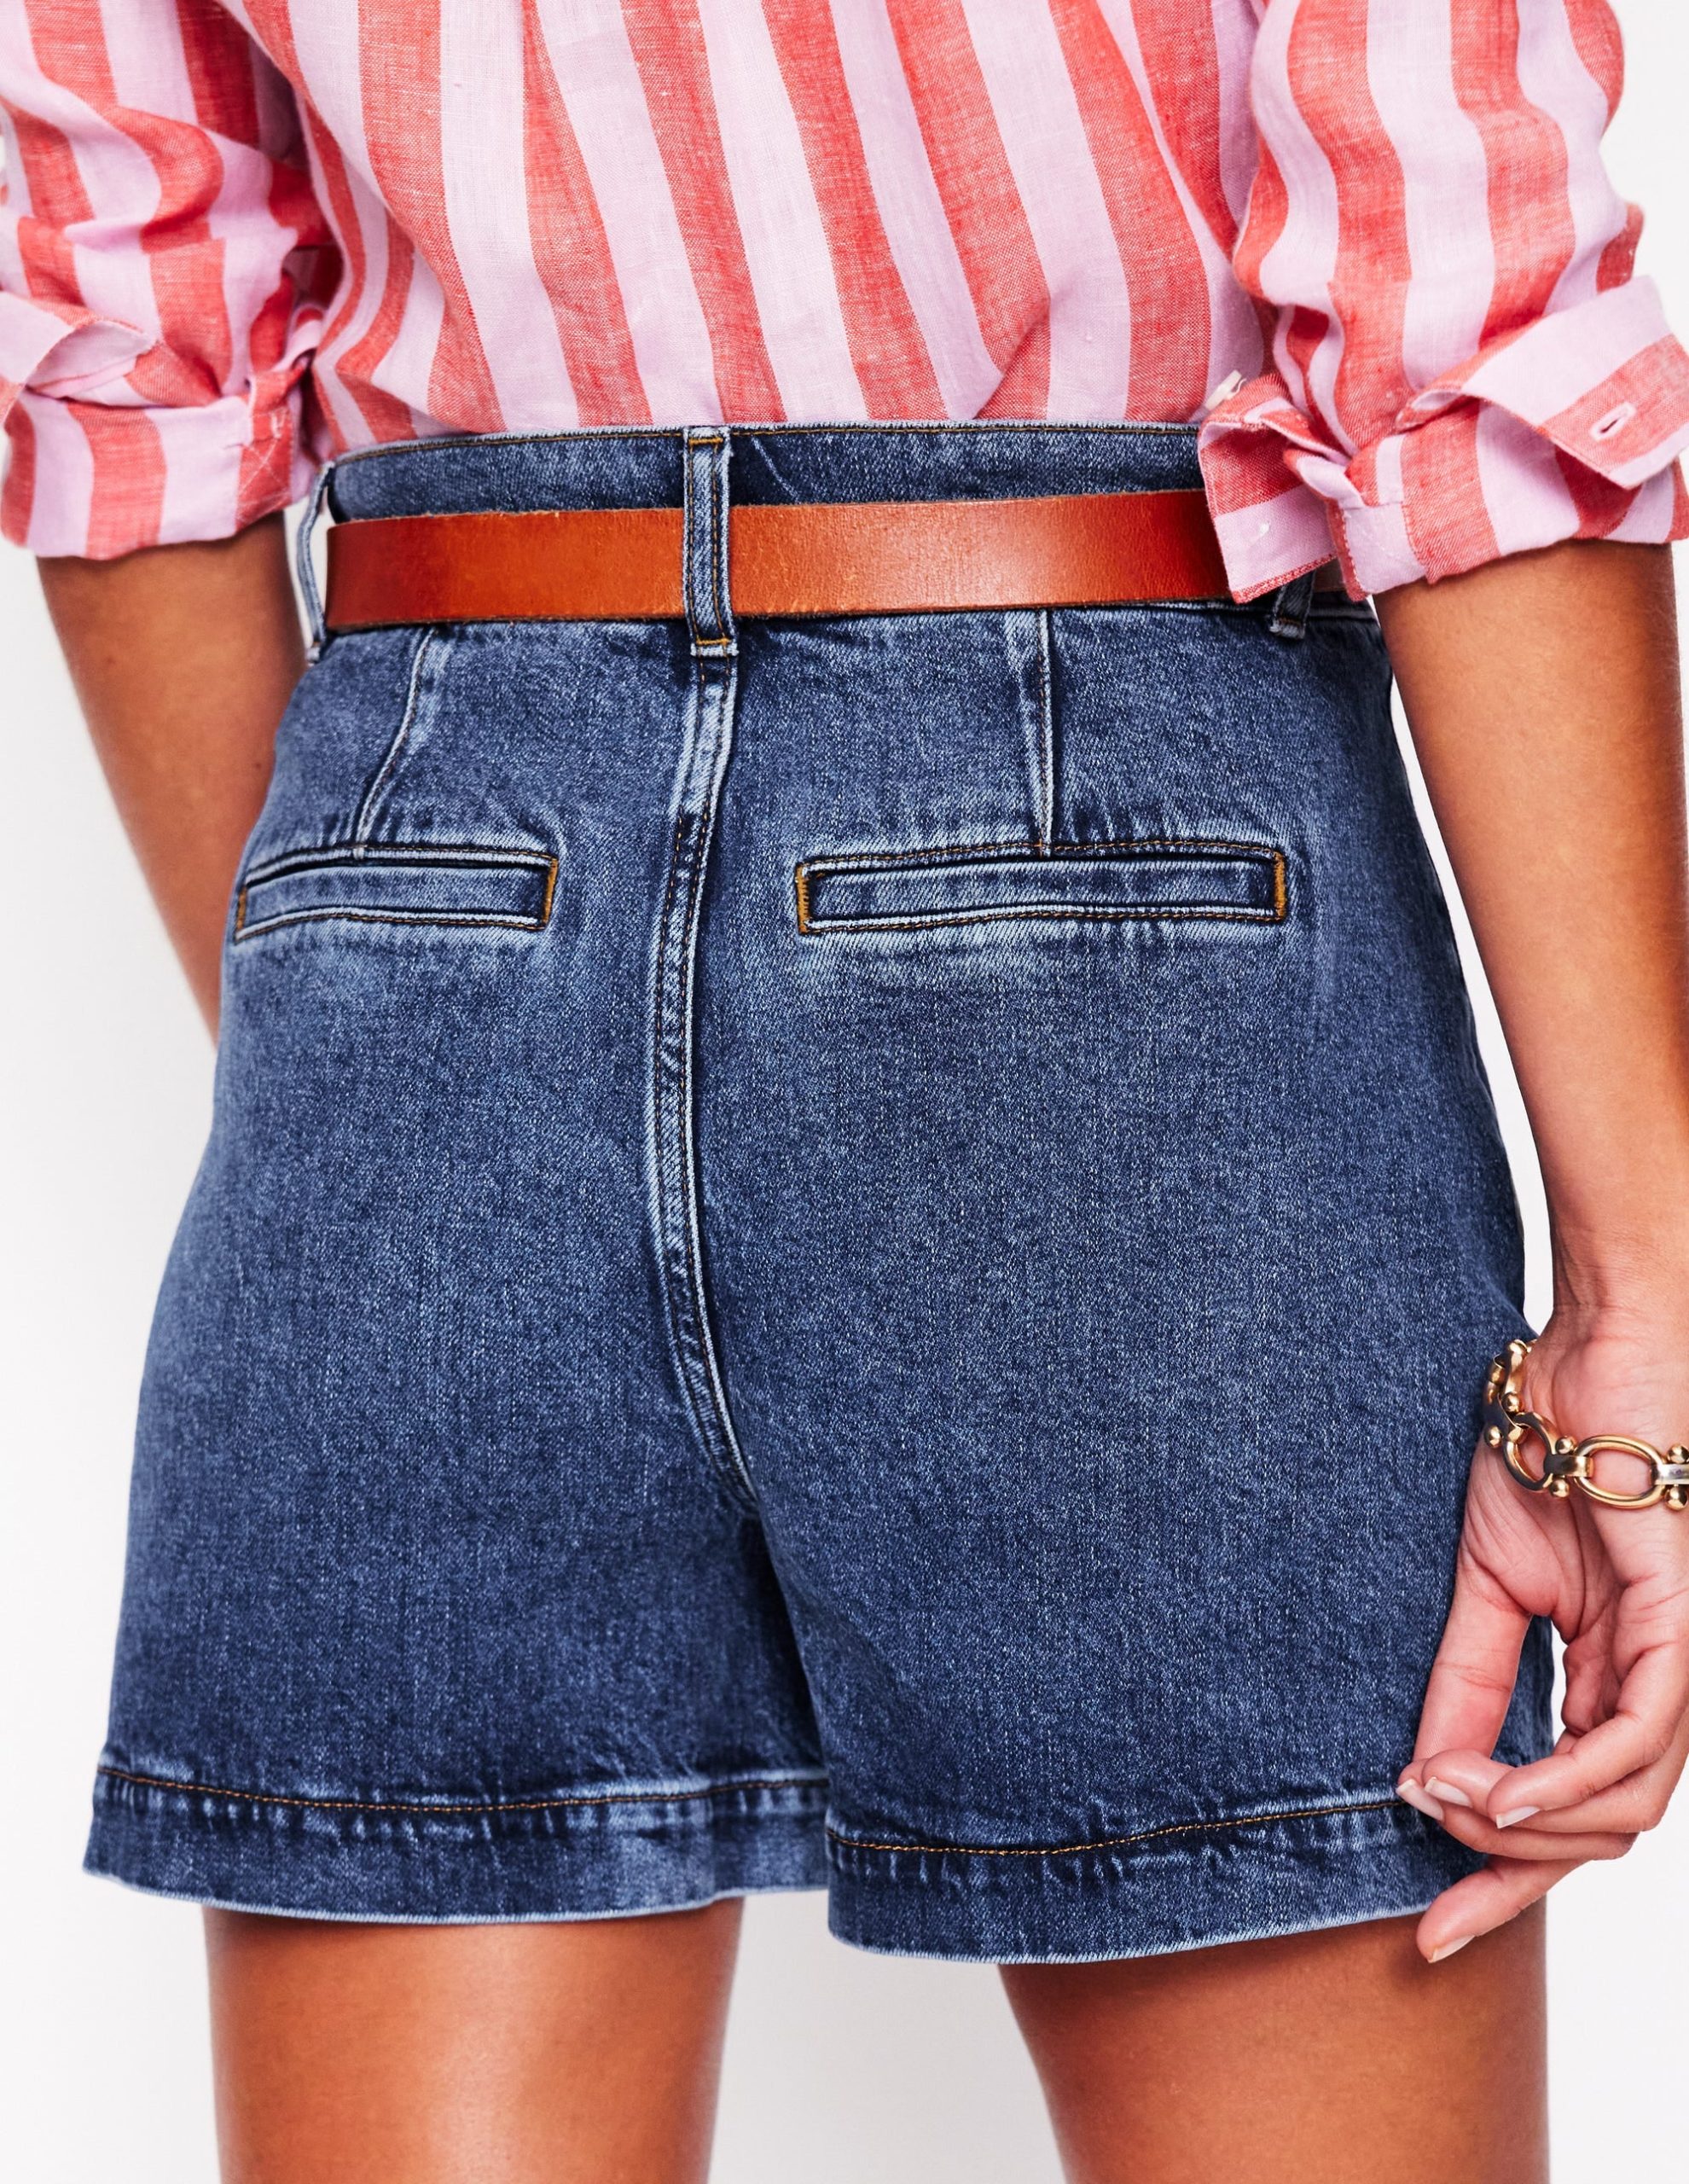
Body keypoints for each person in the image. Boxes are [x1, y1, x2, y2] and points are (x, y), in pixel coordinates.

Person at [6, 3, 1689, 2178]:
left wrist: (378, 1015)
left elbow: (129, 343)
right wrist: (1641, 1300)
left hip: (432, 839)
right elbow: (1457, 279)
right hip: (1114, 850)